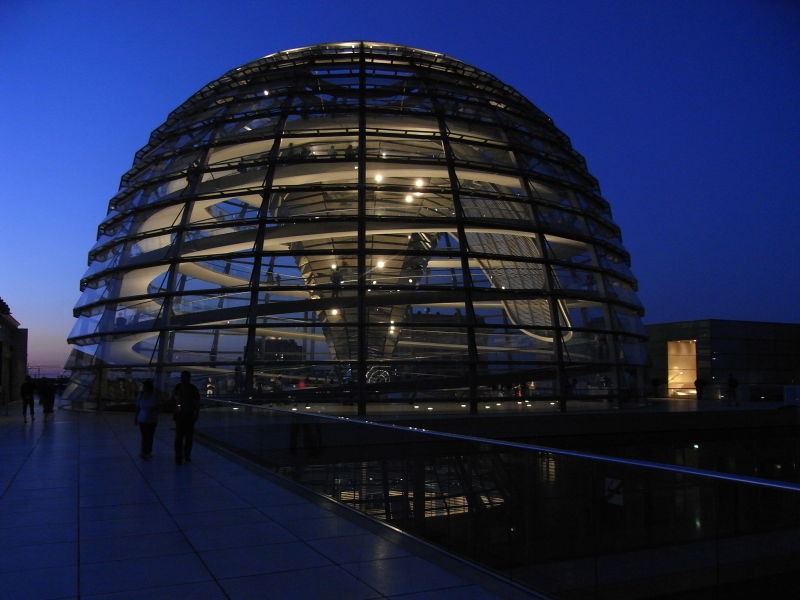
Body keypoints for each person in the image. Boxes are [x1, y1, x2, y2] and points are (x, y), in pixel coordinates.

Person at [171, 371, 200, 464]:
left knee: (184, 437)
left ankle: (182, 455)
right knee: (183, 437)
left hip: (186, 415)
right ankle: (182, 455)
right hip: (184, 415)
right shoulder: (191, 388)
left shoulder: (180, 388)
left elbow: (197, 402)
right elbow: (197, 402)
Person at [135, 380, 160, 459]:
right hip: (142, 419)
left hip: (152, 419)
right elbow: (138, 407)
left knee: (149, 436)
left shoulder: (154, 396)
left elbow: (158, 407)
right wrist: (136, 417)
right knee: (144, 436)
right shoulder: (141, 395)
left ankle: (148, 452)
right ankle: (144, 451)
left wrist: (153, 410)